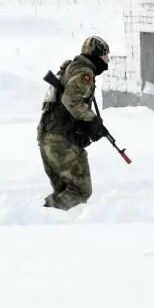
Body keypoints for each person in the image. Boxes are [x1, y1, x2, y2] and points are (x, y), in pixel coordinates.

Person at [38, 36, 110, 211]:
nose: (108, 60)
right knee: (80, 191)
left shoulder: (71, 68)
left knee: (65, 191)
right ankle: (44, 216)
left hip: (47, 138)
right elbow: (71, 100)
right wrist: (92, 121)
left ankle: (45, 218)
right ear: (96, 55)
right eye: (105, 55)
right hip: (60, 140)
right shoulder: (84, 72)